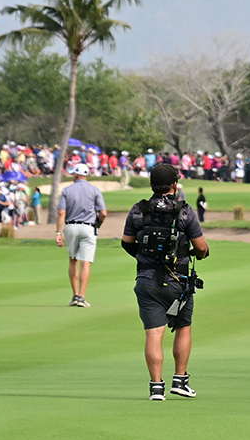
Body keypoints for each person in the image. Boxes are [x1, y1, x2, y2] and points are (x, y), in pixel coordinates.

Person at [121, 162, 211, 400]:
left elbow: (126, 242)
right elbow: (201, 248)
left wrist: (144, 257)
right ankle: (180, 381)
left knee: (154, 332)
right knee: (183, 326)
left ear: (151, 184)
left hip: (146, 280)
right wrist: (198, 254)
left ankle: (156, 388)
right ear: (174, 185)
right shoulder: (184, 210)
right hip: (178, 281)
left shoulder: (138, 209)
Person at [54, 164, 109, 308]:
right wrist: (98, 225)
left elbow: (61, 213)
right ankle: (82, 297)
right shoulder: (94, 190)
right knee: (86, 262)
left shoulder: (67, 190)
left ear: (77, 175)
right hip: (89, 227)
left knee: (73, 261)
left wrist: (58, 232)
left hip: (71, 227)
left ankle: (74, 295)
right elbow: (103, 213)